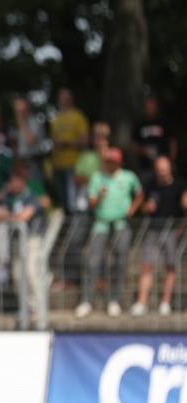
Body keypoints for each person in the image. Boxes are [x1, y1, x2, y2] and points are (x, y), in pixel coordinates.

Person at [74, 147, 143, 318]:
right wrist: (99, 197)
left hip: (121, 224)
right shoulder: (97, 177)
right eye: (108, 161)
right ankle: (87, 301)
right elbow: (90, 203)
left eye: (113, 162)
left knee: (120, 261)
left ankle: (114, 300)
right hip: (101, 224)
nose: (109, 165)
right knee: (93, 262)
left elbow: (140, 194)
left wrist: (132, 209)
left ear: (119, 162)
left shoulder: (129, 177)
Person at [130, 155, 187, 317]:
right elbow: (142, 207)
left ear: (170, 168)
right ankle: (141, 302)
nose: (161, 171)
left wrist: (182, 225)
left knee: (170, 267)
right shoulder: (150, 185)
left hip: (171, 231)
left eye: (164, 168)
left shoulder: (180, 185)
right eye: (159, 168)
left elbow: (185, 209)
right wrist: (147, 208)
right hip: (153, 230)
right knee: (146, 265)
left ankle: (165, 303)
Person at [0, 168, 50, 303]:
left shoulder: (32, 196)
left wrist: (6, 216)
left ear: (24, 182)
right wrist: (4, 213)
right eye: (12, 182)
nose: (15, 184)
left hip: (33, 239)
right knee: (17, 274)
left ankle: (39, 306)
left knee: (31, 271)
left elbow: (24, 216)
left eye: (18, 181)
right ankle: (27, 307)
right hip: (17, 241)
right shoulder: (9, 197)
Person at [50, 88, 89, 213]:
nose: (63, 101)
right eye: (61, 98)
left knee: (74, 202)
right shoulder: (56, 119)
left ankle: (77, 231)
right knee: (63, 202)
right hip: (58, 165)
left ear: (71, 99)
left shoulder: (78, 117)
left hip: (74, 165)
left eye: (66, 98)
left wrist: (66, 143)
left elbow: (84, 141)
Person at [131, 96, 177, 182]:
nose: (150, 107)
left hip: (164, 165)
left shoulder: (163, 122)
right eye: (148, 105)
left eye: (152, 105)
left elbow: (172, 142)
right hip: (146, 166)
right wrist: (144, 150)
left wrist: (171, 160)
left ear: (156, 106)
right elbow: (134, 145)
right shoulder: (140, 124)